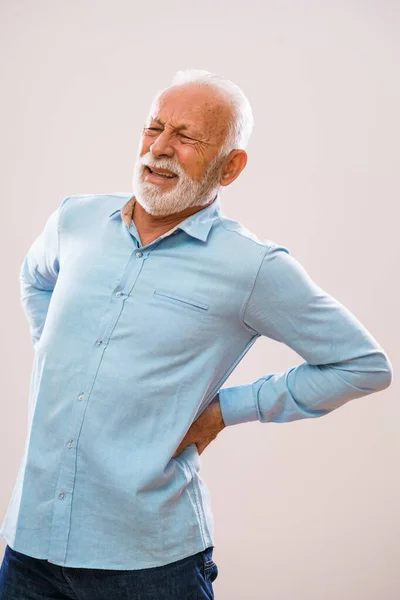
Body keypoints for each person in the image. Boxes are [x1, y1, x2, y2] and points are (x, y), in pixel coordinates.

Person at [0, 68, 393, 599]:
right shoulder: (75, 220)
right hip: (28, 549)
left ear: (231, 168)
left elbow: (363, 365)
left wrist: (227, 410)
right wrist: (55, 349)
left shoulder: (252, 266)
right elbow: (34, 278)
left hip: (147, 564)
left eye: (185, 137)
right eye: (153, 128)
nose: (160, 149)